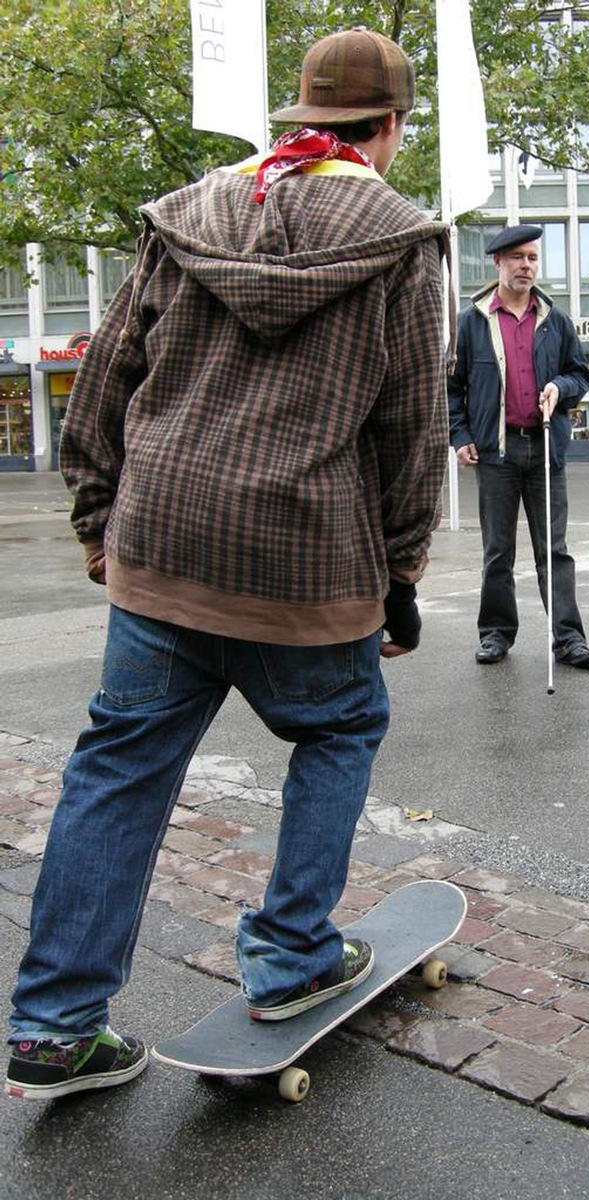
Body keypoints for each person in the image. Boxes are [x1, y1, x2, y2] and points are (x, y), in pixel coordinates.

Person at [6, 28, 448, 1101]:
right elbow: (410, 428)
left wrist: (101, 520)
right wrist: (399, 577)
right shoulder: (397, 235)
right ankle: (293, 955)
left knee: (117, 769)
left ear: (300, 117)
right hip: (303, 559)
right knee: (340, 725)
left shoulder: (191, 210)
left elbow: (109, 371)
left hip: (161, 545)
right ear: (387, 128)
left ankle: (57, 1023)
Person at [447, 225, 589, 669]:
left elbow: (580, 374)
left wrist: (559, 386)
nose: (526, 266)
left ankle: (568, 639)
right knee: (498, 550)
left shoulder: (556, 318)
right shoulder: (471, 320)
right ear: (498, 262)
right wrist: (460, 437)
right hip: (495, 452)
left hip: (545, 450)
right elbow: (452, 387)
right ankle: (495, 634)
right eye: (517, 258)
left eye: (532, 258)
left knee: (554, 549)